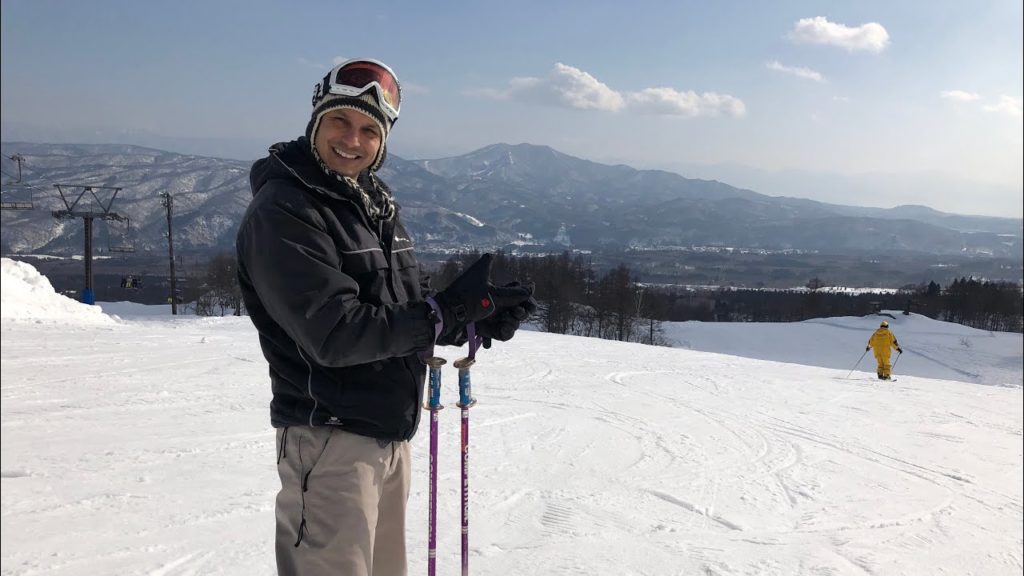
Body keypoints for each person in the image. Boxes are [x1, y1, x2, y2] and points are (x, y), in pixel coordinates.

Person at [235, 58, 537, 576]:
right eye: (340, 122)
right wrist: (441, 315)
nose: (353, 140)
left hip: (387, 435)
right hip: (329, 441)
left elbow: (406, 305)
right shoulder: (285, 211)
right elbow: (333, 332)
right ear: (316, 122)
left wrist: (469, 318)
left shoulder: (371, 203)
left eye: (370, 130)